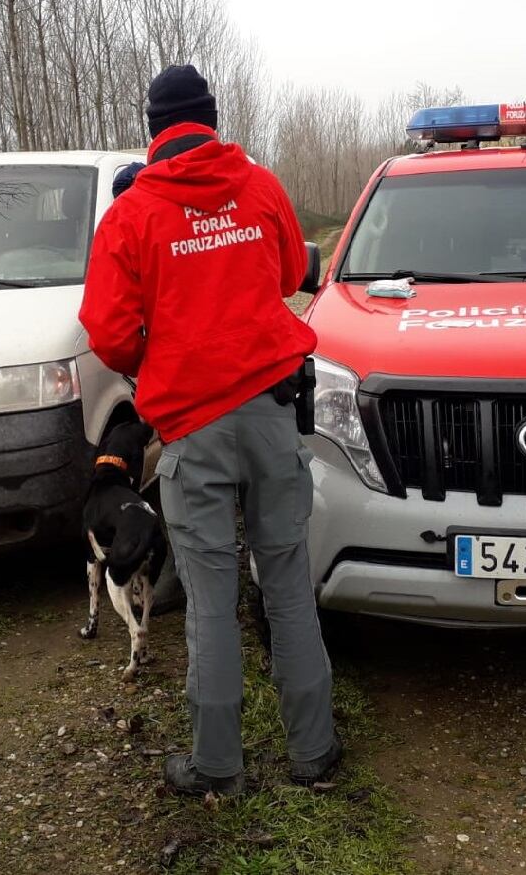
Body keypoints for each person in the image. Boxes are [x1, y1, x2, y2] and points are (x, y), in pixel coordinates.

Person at [79, 64, 341, 796]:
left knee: (210, 595)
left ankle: (218, 765)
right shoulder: (259, 186)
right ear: (212, 119)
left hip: (192, 427)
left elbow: (106, 330)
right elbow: (293, 269)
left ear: (154, 130)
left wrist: (154, 356)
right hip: (270, 408)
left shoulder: (131, 214)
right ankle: (313, 753)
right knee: (287, 581)